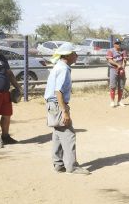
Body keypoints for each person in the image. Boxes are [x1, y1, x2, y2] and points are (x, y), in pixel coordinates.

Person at [44, 43, 90, 175]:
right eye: (74, 54)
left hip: (53, 104)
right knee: (68, 134)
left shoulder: (59, 66)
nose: (77, 56)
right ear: (68, 55)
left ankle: (58, 164)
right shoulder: (63, 69)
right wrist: (64, 111)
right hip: (58, 104)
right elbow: (58, 91)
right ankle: (72, 166)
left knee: (58, 133)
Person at [0, 38, 20, 149]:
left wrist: (18, 87)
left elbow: (9, 73)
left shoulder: (1, 57)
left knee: (7, 115)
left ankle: (5, 137)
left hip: (5, 91)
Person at [106, 38, 128, 107]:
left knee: (121, 86)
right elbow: (110, 60)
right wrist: (117, 65)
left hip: (121, 69)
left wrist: (123, 68)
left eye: (119, 43)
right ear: (114, 44)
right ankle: (112, 101)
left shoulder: (123, 51)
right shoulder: (110, 51)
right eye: (117, 43)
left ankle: (119, 101)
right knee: (113, 86)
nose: (118, 45)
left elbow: (125, 60)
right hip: (113, 69)